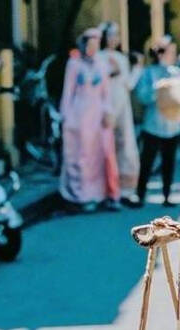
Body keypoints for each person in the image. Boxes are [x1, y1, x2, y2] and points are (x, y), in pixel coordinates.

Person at [59, 28, 120, 212]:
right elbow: (68, 91)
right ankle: (81, 196)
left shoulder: (101, 64)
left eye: (96, 45)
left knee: (98, 156)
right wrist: (66, 116)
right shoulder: (74, 64)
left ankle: (99, 194)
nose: (92, 48)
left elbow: (106, 93)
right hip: (79, 114)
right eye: (89, 44)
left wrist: (108, 112)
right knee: (81, 156)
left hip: (97, 114)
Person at [133, 35, 180, 208]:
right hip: (153, 124)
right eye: (171, 51)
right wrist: (157, 90)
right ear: (162, 53)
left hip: (172, 125)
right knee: (146, 161)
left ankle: (167, 195)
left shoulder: (176, 72)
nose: (174, 55)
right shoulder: (148, 73)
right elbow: (142, 96)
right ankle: (140, 195)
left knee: (169, 162)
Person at [98, 20, 141, 203]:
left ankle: (125, 188)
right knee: (104, 147)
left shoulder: (121, 58)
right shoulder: (98, 57)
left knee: (125, 145)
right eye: (110, 35)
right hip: (102, 106)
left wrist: (138, 67)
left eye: (116, 35)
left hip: (122, 104)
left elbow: (128, 83)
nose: (113, 39)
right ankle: (103, 188)